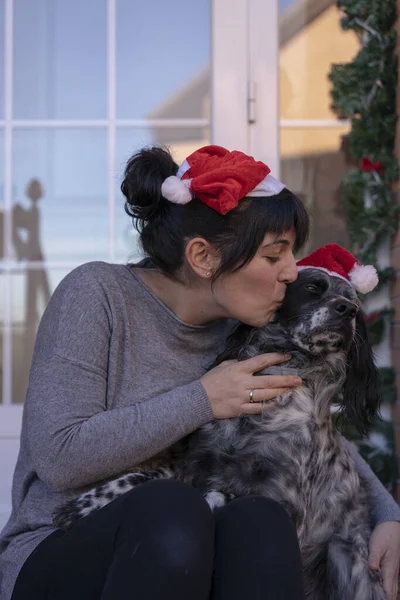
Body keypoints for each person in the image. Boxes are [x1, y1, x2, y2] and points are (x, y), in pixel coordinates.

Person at [0, 145, 399, 600]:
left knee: (262, 519)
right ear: (203, 256)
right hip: (64, 547)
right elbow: (60, 459)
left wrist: (389, 515)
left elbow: (312, 433)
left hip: (195, 559)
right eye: (274, 256)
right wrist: (203, 398)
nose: (291, 272)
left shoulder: (245, 327)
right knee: (172, 509)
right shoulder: (96, 296)